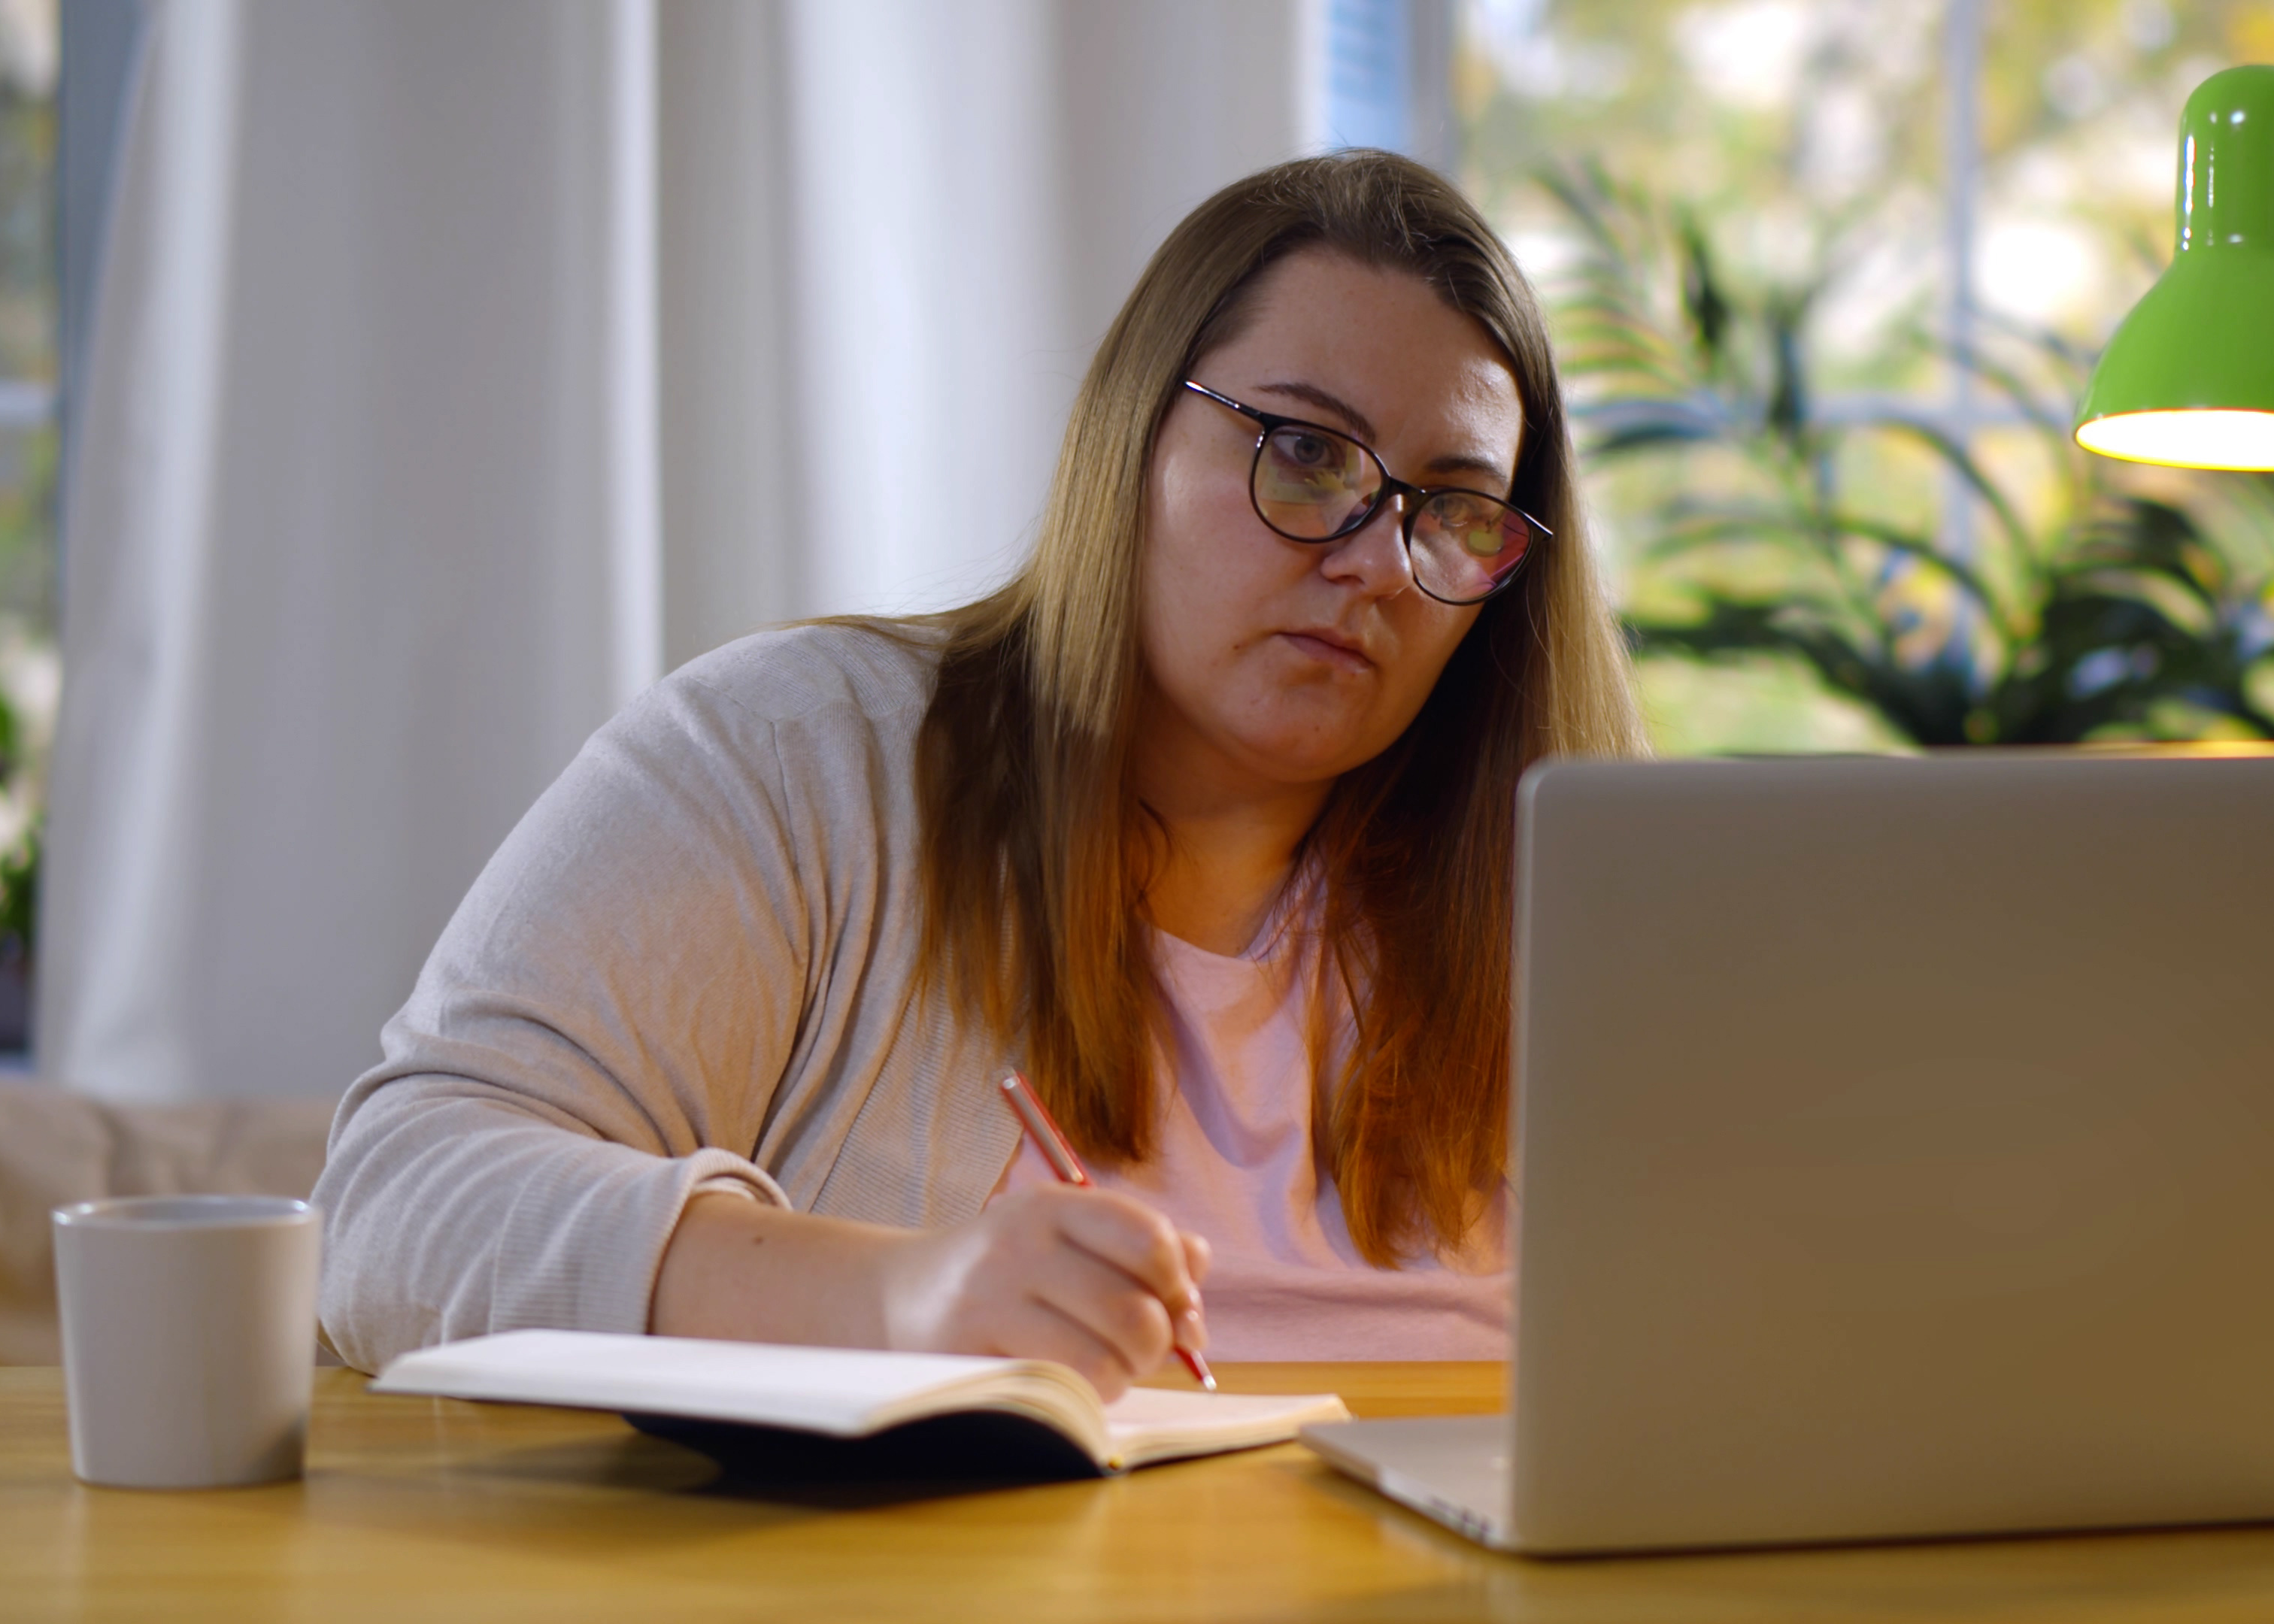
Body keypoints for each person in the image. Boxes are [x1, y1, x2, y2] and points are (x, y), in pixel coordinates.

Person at [312, 150, 1644, 1397]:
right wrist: (892, 1302)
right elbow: (390, 1215)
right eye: (1303, 453)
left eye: (1453, 509)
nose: (1369, 558)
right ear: (1134, 440)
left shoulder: (1573, 903)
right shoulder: (799, 758)